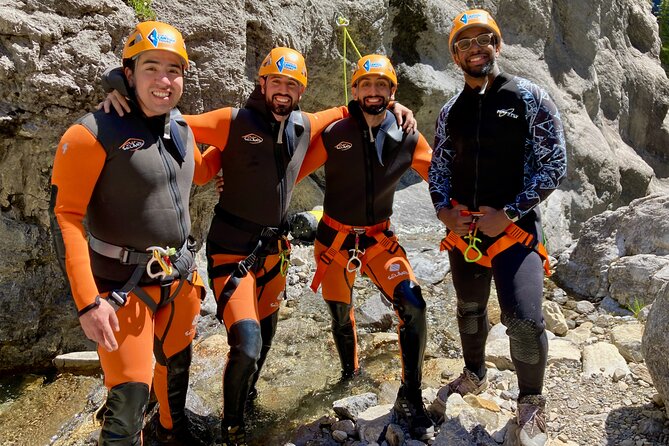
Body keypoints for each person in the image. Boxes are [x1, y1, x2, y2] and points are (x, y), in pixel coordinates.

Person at [104, 46, 416, 445]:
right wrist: (119, 84)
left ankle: (245, 403)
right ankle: (231, 429)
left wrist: (395, 104)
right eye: (277, 82)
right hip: (232, 253)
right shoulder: (232, 121)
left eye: (292, 84)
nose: (283, 91)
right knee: (246, 345)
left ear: (301, 90)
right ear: (262, 83)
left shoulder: (305, 124)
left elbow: (358, 105)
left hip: (275, 253)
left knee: (264, 341)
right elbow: (166, 113)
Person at [50, 21, 210, 445]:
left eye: (174, 69)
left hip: (179, 280)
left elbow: (199, 170)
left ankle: (173, 435)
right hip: (122, 288)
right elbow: (65, 217)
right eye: (151, 67)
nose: (164, 79)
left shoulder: (181, 128)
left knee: (175, 372)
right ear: (128, 72)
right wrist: (88, 304)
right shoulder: (91, 134)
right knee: (129, 399)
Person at [428, 9, 567, 446]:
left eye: (484, 39)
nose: (476, 48)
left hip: (515, 231)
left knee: (524, 321)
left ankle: (530, 404)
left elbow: (554, 165)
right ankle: (474, 375)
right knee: (469, 311)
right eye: (465, 43)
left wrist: (506, 214)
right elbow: (439, 169)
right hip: (464, 232)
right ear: (455, 55)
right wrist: (444, 212)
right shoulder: (452, 110)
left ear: (498, 45)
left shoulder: (529, 97)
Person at [297, 54, 434, 440]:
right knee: (341, 317)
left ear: (392, 92)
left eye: (381, 86)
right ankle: (350, 376)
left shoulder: (408, 135)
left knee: (415, 307)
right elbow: (291, 174)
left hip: (378, 241)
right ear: (354, 90)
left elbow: (441, 179)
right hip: (334, 242)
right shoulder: (335, 132)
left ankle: (412, 396)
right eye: (365, 85)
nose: (373, 92)